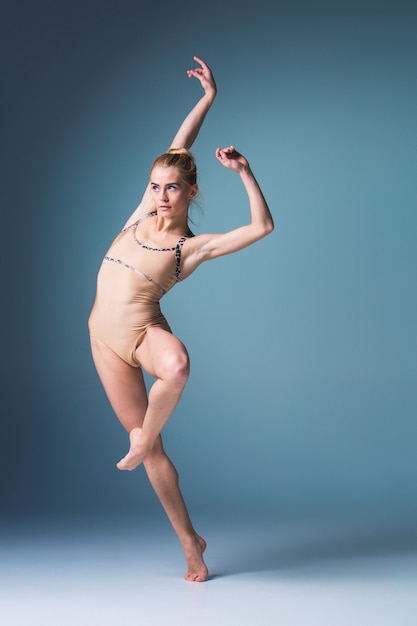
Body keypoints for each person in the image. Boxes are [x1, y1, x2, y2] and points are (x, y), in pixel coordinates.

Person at [88, 56, 274, 582]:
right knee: (153, 458)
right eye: (154, 186)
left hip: (143, 333)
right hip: (104, 341)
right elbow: (180, 146)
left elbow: (262, 226)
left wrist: (245, 171)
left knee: (177, 367)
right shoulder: (141, 214)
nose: (160, 195)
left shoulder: (189, 248)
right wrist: (208, 99)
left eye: (171, 188)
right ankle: (191, 542)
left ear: (190, 192)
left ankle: (144, 436)